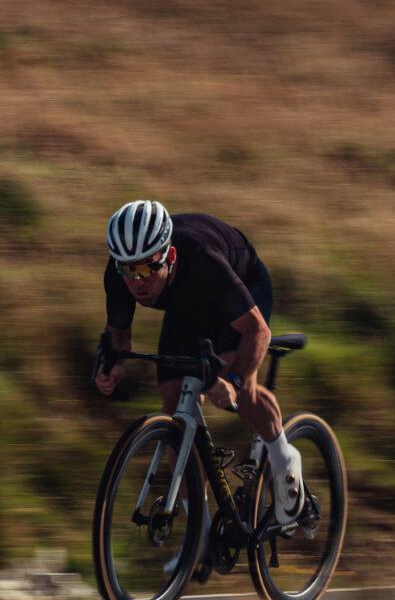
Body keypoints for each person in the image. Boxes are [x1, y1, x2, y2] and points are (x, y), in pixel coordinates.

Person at [95, 200, 304, 537]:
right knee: (173, 401)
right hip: (187, 302)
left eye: (147, 269)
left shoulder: (203, 259)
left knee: (236, 386)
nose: (137, 282)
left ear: (170, 257)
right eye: (128, 270)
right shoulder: (121, 273)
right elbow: (118, 332)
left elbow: (257, 332)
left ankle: (284, 461)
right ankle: (200, 535)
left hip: (240, 285)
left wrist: (235, 381)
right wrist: (110, 365)